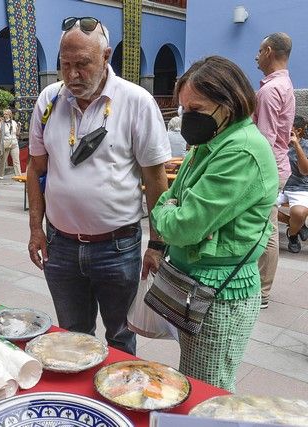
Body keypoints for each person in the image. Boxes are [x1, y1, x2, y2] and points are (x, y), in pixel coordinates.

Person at [27, 17, 170, 355]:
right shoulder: (48, 101)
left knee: (120, 336)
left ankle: (119, 404)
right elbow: (36, 168)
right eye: (66, 65)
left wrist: (158, 244)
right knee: (73, 336)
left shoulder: (136, 102)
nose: (73, 75)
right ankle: (82, 405)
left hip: (117, 247)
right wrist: (36, 229)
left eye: (83, 64)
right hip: (60, 247)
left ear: (106, 56)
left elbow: (155, 178)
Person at [151, 56, 278, 391]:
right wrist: (172, 208)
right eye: (183, 109)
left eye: (197, 108)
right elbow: (169, 199)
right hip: (194, 285)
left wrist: (173, 211)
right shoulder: (210, 143)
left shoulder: (241, 151)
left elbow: (183, 225)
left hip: (219, 294)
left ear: (229, 103)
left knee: (208, 390)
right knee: (194, 378)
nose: (188, 117)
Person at [253, 32, 295, 309]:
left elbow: (263, 138)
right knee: (265, 228)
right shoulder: (284, 84)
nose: (256, 56)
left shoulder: (270, 90)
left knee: (265, 231)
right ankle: (261, 289)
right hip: (278, 164)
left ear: (269, 51)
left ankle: (262, 292)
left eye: (259, 50)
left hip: (268, 167)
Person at [278, 116, 308, 253]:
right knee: (261, 206)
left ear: (299, 130)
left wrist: (296, 145)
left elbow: (305, 171)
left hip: (300, 188)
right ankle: (296, 225)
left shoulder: (306, 146)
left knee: (299, 212)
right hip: (279, 187)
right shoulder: (277, 143)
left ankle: (292, 234)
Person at [0, 108, 22, 179]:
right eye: (4, 114)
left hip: (14, 143)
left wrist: (19, 127)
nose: (5, 115)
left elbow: (17, 134)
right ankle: (1, 175)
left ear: (10, 115)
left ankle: (18, 175)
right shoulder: (1, 123)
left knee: (16, 160)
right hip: (5, 143)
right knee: (3, 160)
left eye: (6, 114)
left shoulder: (14, 122)